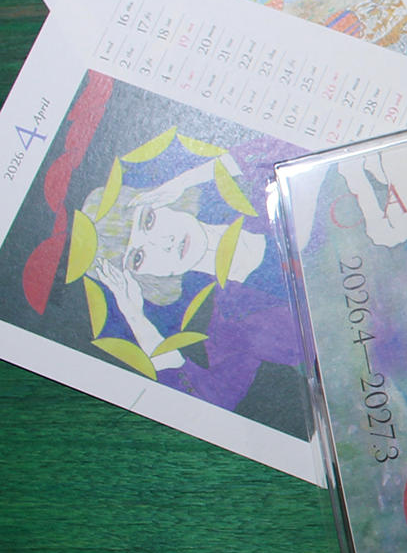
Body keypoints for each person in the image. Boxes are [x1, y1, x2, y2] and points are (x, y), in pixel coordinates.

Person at [84, 145, 302, 419]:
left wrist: (186, 180)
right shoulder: (228, 325)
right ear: (143, 278)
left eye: (148, 220)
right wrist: (137, 319)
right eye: (138, 257)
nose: (163, 243)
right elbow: (213, 402)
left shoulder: (262, 197)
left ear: (161, 199)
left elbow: (287, 148)